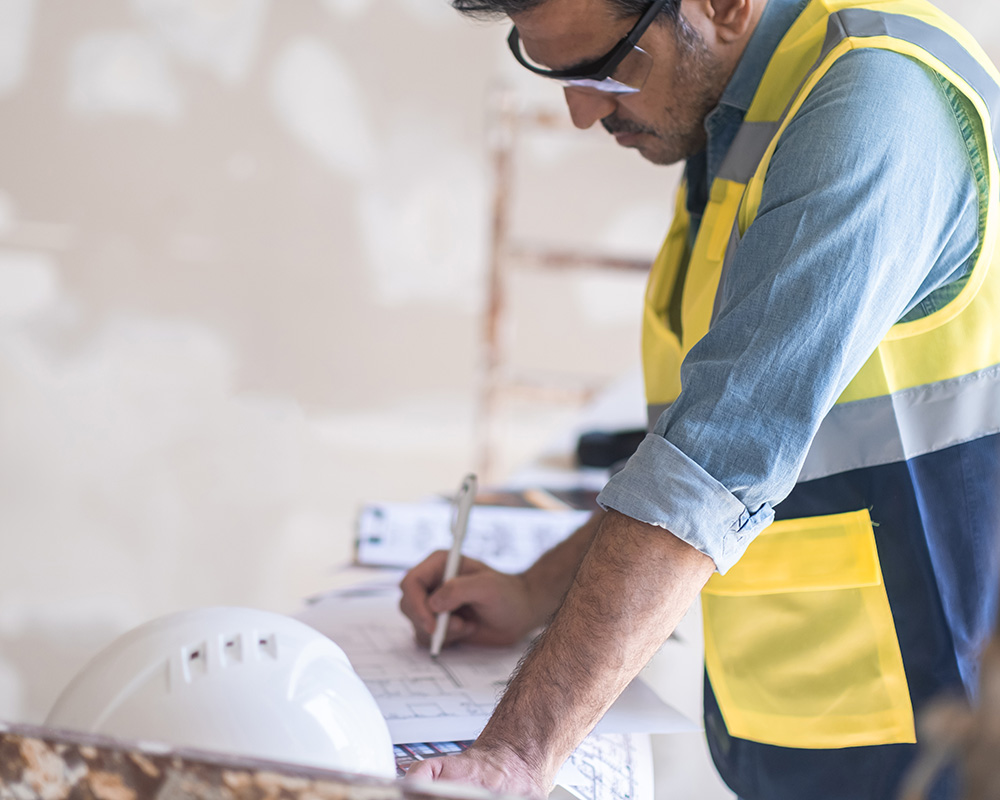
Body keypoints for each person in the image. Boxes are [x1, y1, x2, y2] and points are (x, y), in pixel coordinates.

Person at [398, 0, 1000, 797]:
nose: (581, 112)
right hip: (805, 723)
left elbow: (711, 466)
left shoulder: (872, 111)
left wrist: (516, 754)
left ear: (721, 7)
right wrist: (531, 593)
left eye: (607, 70)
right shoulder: (742, 119)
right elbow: (689, 443)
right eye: (554, 71)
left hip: (933, 736)